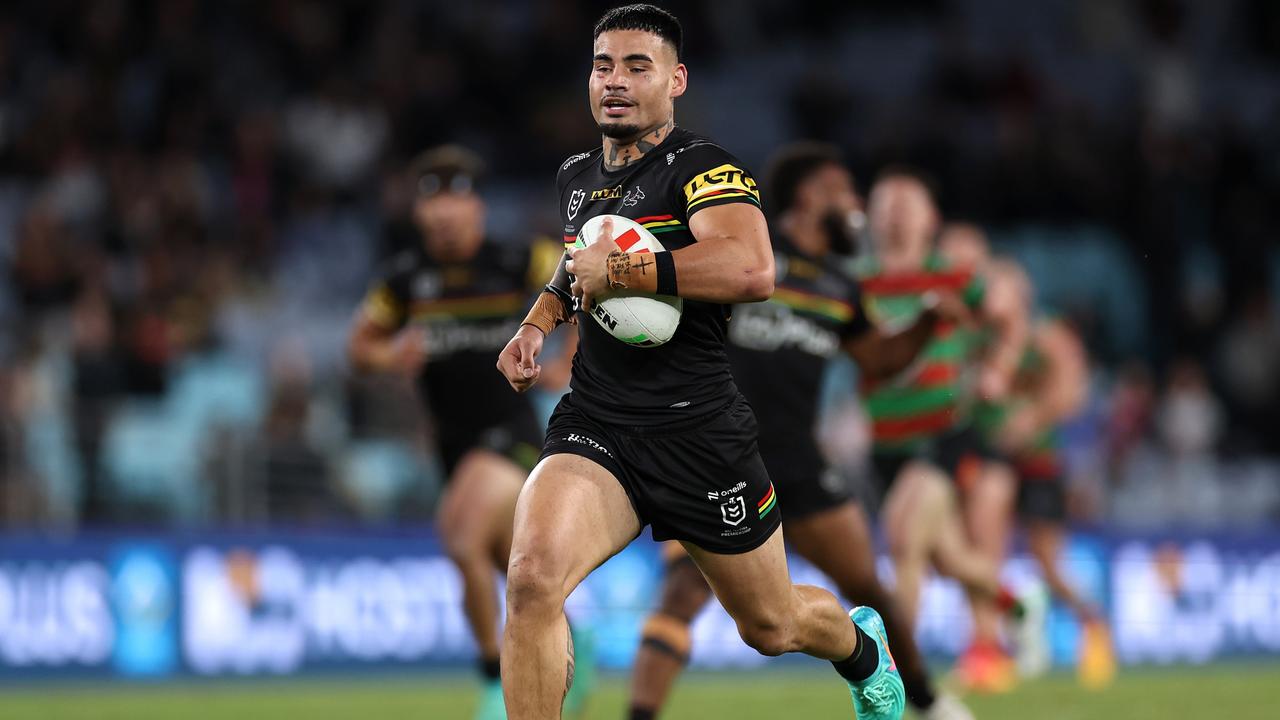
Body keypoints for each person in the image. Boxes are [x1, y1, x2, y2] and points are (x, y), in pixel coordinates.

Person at [495, 6, 904, 719]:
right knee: (532, 580)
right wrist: (537, 324)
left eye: (637, 66)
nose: (615, 82)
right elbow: (575, 266)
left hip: (701, 435)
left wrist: (622, 273)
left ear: (676, 80)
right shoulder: (576, 176)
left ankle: (860, 647)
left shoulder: (705, 169)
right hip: (599, 426)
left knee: (772, 625)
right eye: (603, 66)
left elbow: (751, 269)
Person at [625, 143, 974, 720]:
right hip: (719, 457)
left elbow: (880, 360)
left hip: (799, 461)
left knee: (872, 589)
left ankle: (929, 705)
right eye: (845, 192)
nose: (856, 206)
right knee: (683, 595)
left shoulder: (840, 285)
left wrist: (927, 322)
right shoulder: (743, 256)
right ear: (812, 196)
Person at [349, 146, 565, 720]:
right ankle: (570, 650)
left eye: (456, 199)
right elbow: (359, 346)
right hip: (452, 445)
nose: (445, 213)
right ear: (419, 213)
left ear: (477, 207)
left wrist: (574, 360)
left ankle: (495, 681)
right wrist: (391, 353)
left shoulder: (519, 258)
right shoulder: (404, 280)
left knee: (460, 536)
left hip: (511, 432)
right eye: (434, 202)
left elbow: (586, 276)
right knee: (515, 571)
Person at [855, 171, 1028, 691]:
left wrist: (998, 369)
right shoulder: (859, 280)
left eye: (908, 200)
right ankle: (1018, 602)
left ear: (930, 217)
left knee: (904, 541)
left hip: (943, 433)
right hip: (884, 441)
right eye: (886, 201)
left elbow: (1010, 317)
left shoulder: (952, 275)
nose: (896, 211)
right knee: (946, 559)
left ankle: (897, 676)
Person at [940, 227, 1116, 689]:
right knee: (983, 549)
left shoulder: (1046, 335)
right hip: (991, 456)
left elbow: (1072, 390)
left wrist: (1032, 420)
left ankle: (1091, 622)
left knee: (1046, 562)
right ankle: (986, 650)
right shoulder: (977, 336)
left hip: (1037, 459)